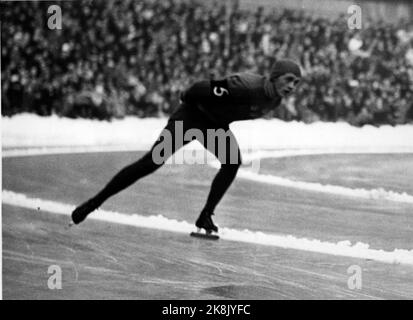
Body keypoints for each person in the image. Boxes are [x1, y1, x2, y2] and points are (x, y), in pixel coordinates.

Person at [71, 59, 302, 233]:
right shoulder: (246, 86)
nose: (292, 86)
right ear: (274, 76)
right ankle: (94, 203)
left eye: (296, 82)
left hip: (215, 126)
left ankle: (206, 216)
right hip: (192, 118)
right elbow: (200, 88)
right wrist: (186, 96)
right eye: (288, 79)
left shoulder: (276, 100)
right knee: (151, 162)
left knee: (232, 162)